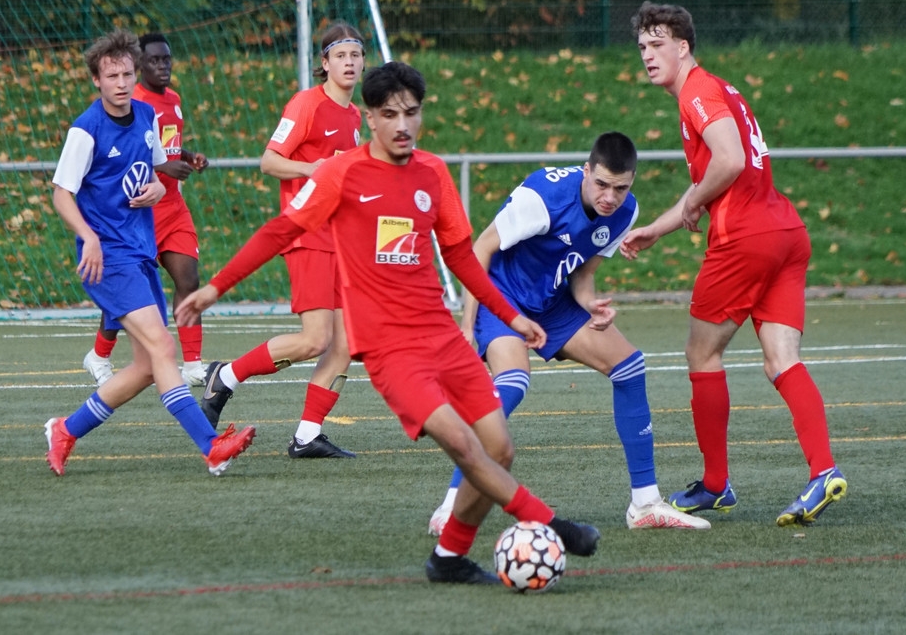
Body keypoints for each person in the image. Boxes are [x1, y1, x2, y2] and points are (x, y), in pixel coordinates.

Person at [176, 61, 600, 584]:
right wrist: (215, 287)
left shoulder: (433, 172)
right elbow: (280, 231)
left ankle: (448, 558)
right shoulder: (341, 173)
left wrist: (511, 314)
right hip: (390, 351)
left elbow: (461, 256)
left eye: (411, 113)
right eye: (390, 114)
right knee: (464, 446)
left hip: (441, 336)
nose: (403, 125)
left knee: (499, 448)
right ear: (369, 118)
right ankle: (554, 525)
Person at [621, 2, 847, 526]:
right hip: (784, 232)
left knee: (701, 353)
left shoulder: (697, 92)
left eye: (657, 45)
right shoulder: (720, 88)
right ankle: (823, 471)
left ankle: (716, 484)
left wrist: (697, 201)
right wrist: (658, 227)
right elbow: (720, 174)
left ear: (683, 47)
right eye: (642, 47)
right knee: (782, 359)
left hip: (744, 240)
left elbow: (729, 161)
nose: (648, 55)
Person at [427, 132, 710, 536]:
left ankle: (646, 504)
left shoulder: (625, 211)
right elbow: (480, 250)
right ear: (586, 171)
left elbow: (582, 273)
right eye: (602, 184)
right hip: (501, 295)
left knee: (630, 367)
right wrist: (468, 327)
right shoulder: (542, 197)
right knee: (513, 383)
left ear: (631, 182)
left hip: (552, 301)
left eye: (620, 188)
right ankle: (451, 504)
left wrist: (591, 305)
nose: (610, 197)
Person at [47, 29, 256, 477]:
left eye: (127, 74)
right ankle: (211, 446)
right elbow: (62, 193)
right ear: (97, 81)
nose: (121, 83)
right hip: (107, 259)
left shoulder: (145, 115)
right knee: (163, 346)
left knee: (145, 367)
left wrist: (160, 187)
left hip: (140, 252)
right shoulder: (85, 130)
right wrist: (88, 236)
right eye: (112, 76)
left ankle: (66, 429)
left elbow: (159, 170)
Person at [199, 22, 363, 459]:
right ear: (324, 63)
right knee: (315, 340)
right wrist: (313, 170)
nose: (349, 63)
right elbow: (269, 161)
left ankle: (307, 436)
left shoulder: (354, 116)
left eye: (355, 55)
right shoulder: (307, 103)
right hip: (307, 234)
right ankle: (225, 376)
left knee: (345, 344)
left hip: (339, 240)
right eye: (340, 56)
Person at [82, 31, 210, 388]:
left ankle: (194, 364)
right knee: (131, 294)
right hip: (139, 214)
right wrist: (166, 167)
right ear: (140, 66)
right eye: (154, 60)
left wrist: (187, 156)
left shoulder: (173, 100)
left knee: (189, 279)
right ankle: (99, 354)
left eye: (166, 59)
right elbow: (130, 156)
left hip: (173, 207)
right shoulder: (132, 101)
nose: (162, 66)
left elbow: (164, 145)